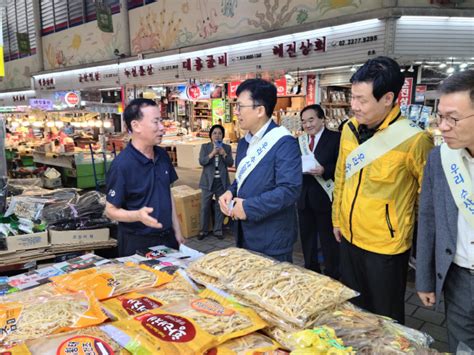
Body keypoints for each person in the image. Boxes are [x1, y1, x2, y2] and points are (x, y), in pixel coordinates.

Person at [332, 56, 433, 324]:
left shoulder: (415, 140)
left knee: (385, 320)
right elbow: (341, 176)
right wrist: (337, 219)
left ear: (387, 99)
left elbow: (429, 200)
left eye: (362, 100)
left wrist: (423, 256)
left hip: (385, 248)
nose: (354, 106)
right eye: (352, 97)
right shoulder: (349, 130)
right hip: (349, 239)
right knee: (353, 313)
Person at [416, 70, 474, 352]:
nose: (443, 127)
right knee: (462, 346)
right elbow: (428, 219)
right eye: (440, 117)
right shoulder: (440, 158)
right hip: (460, 279)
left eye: (453, 118)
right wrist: (425, 279)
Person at [219, 79, 302, 262]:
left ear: (260, 110)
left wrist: (248, 207)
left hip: (272, 238)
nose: (236, 112)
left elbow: (289, 190)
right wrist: (230, 192)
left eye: (240, 106)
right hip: (244, 233)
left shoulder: (284, 143)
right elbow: (242, 180)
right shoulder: (243, 143)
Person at [105, 98, 184, 257]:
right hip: (138, 243)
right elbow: (110, 210)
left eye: (161, 121)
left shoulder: (162, 155)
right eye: (156, 122)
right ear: (136, 126)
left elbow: (167, 193)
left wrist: (177, 231)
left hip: (167, 239)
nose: (162, 127)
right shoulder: (122, 165)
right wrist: (137, 215)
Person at [298, 104, 341, 279]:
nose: (307, 125)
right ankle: (310, 271)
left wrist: (325, 170)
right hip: (303, 198)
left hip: (325, 198)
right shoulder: (299, 141)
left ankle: (332, 274)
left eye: (311, 119)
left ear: (322, 119)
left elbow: (341, 166)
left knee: (328, 240)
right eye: (303, 122)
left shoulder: (335, 139)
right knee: (307, 239)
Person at [198, 124, 234, 240]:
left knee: (220, 206)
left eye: (219, 133)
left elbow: (230, 163)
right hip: (207, 182)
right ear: (210, 136)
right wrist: (212, 153)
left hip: (221, 182)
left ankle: (217, 230)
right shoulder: (205, 147)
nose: (217, 135)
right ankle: (203, 230)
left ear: (223, 136)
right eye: (214, 133)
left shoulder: (227, 148)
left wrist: (223, 153)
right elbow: (202, 161)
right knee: (205, 206)